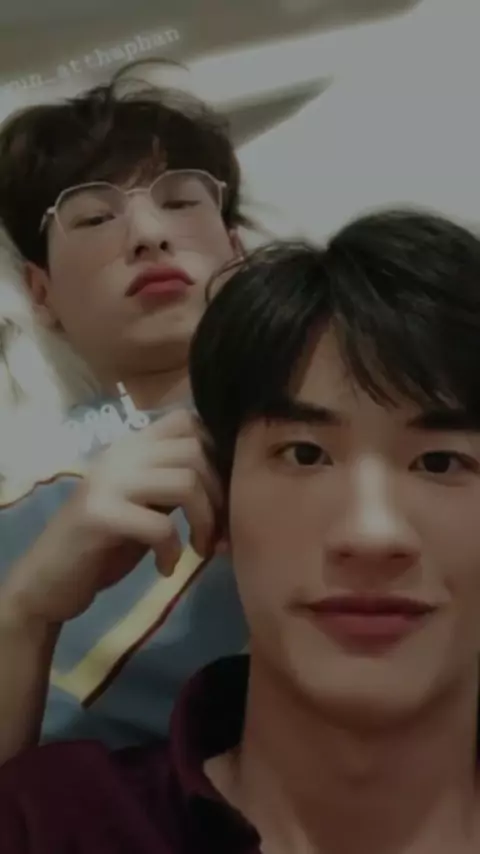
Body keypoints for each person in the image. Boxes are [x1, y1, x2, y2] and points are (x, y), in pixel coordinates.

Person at [2, 208, 480, 853]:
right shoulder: (59, 823)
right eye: (305, 454)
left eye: (441, 462)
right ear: (218, 500)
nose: (372, 533)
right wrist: (23, 618)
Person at [0, 76, 249, 760]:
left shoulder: (376, 418)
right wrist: (24, 615)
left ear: (237, 251)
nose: (148, 235)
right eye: (92, 218)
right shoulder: (16, 514)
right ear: (40, 293)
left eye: (180, 201)